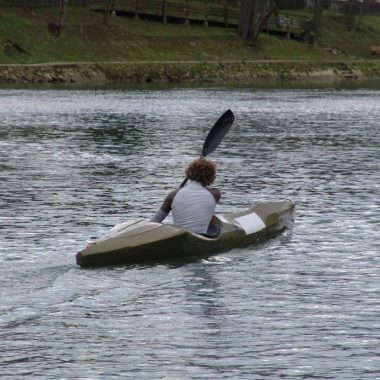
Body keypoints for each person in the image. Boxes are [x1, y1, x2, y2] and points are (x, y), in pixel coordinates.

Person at [150, 157, 221, 236]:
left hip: (179, 237)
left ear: (189, 173)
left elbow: (156, 220)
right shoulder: (215, 194)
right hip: (203, 237)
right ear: (211, 177)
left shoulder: (172, 195)